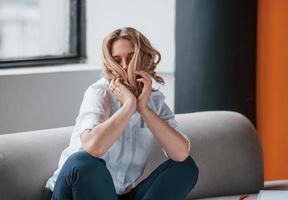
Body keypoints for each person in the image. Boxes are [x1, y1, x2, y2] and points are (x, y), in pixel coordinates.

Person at [45, 27, 199, 200]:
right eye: (117, 60)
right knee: (84, 162)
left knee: (186, 168)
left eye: (131, 57)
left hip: (119, 195)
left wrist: (143, 108)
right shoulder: (98, 92)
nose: (125, 66)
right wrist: (128, 106)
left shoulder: (153, 100)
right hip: (75, 192)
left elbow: (181, 153)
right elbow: (93, 147)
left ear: (143, 57)